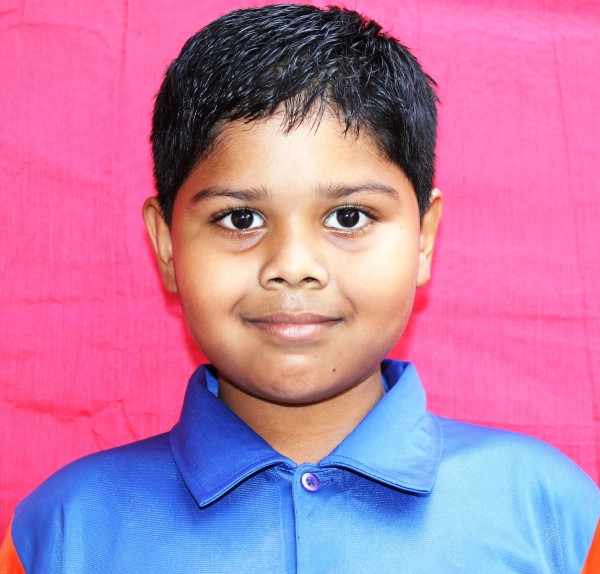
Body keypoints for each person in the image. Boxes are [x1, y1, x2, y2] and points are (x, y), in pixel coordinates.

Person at [1, 4, 598, 572]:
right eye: (240, 219)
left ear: (424, 239)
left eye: (348, 217)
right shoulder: (63, 531)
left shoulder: (552, 514)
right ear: (166, 246)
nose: (292, 266)